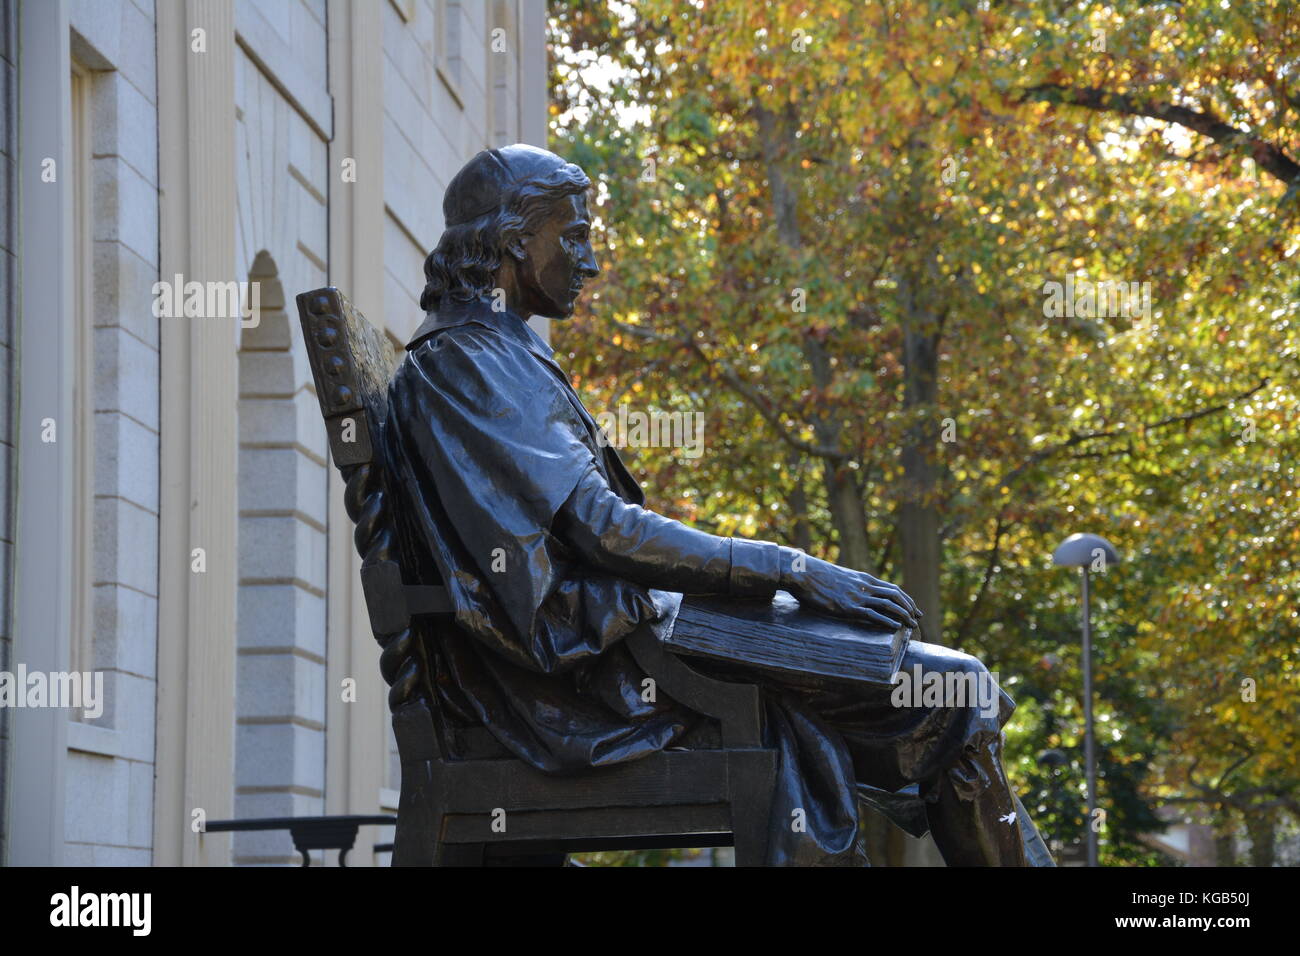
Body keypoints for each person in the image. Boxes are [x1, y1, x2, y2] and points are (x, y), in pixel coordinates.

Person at [383, 144, 1052, 865]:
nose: (592, 262)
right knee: (952, 689)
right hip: (593, 677)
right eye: (573, 236)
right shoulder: (470, 360)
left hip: (621, 645)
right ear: (516, 238)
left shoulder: (493, 353)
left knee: (948, 693)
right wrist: (789, 568)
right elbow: (602, 529)